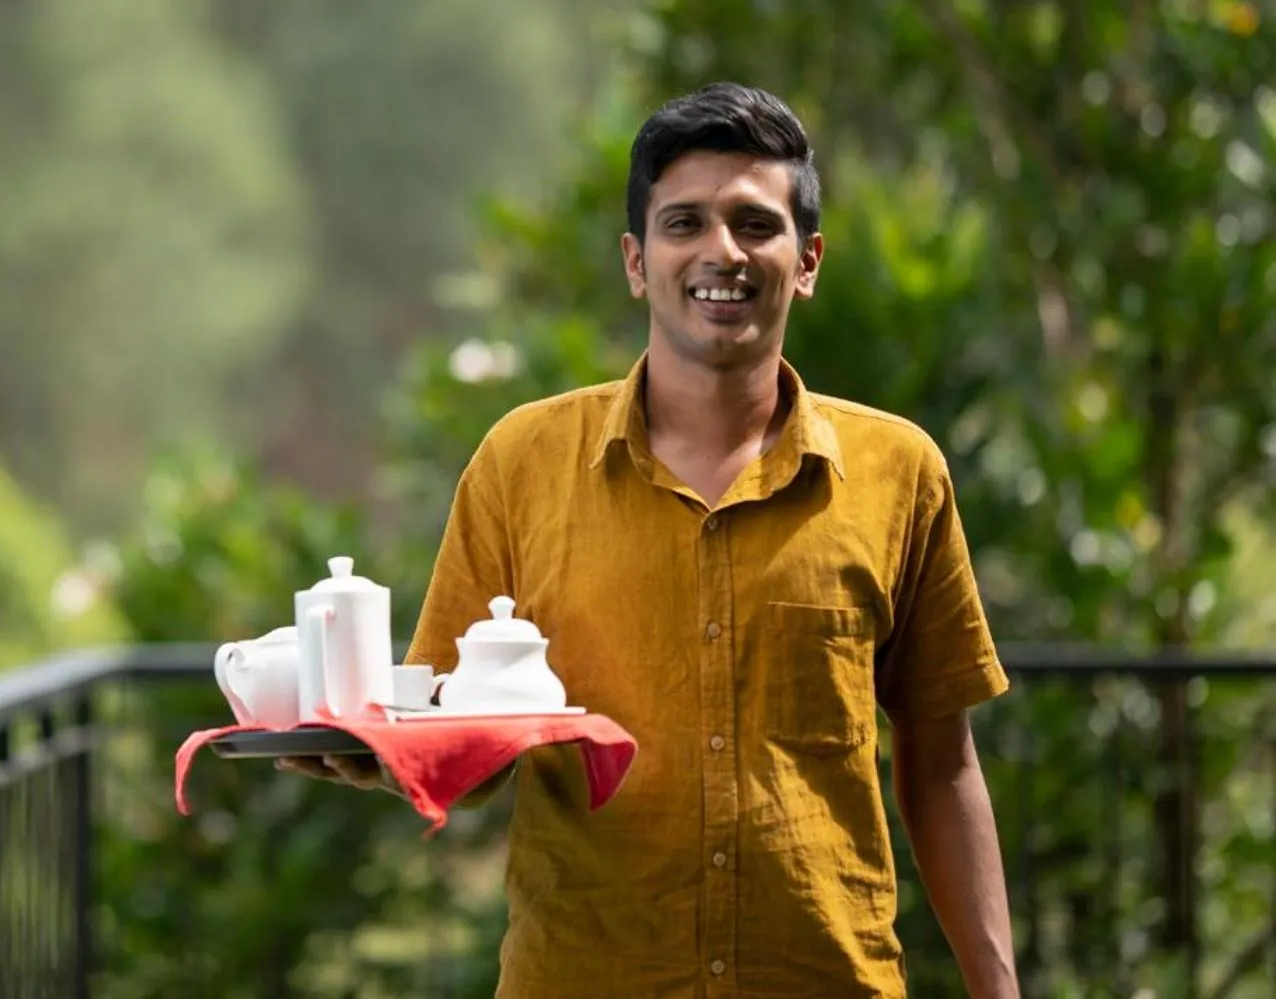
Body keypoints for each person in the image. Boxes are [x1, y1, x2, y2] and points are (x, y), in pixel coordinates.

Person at [284, 83, 1019, 997]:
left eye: (755, 224)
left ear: (808, 261)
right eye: (684, 224)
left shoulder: (898, 471)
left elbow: (943, 765)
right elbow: (456, 743)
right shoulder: (523, 462)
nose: (722, 252)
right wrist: (373, 757)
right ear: (638, 261)